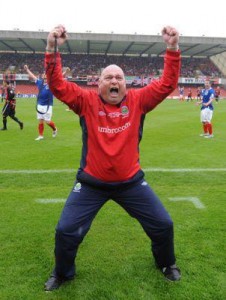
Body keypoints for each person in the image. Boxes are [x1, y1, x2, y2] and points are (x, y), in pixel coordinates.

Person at [43, 24, 181, 292]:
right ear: (98, 83)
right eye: (108, 78)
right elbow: (57, 85)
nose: (114, 81)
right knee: (66, 231)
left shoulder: (139, 100)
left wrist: (173, 47)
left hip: (130, 182)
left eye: (119, 77)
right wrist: (51, 48)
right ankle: (62, 273)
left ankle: (166, 263)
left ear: (126, 84)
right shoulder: (85, 101)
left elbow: (167, 84)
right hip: (91, 184)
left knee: (163, 224)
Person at [24, 65, 58, 141]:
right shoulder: (40, 82)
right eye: (44, 75)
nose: (45, 76)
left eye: (46, 76)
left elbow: (58, 78)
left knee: (48, 121)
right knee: (40, 120)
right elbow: (33, 76)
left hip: (48, 106)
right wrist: (27, 69)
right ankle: (40, 135)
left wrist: (65, 72)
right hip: (40, 105)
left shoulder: (51, 84)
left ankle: (55, 129)